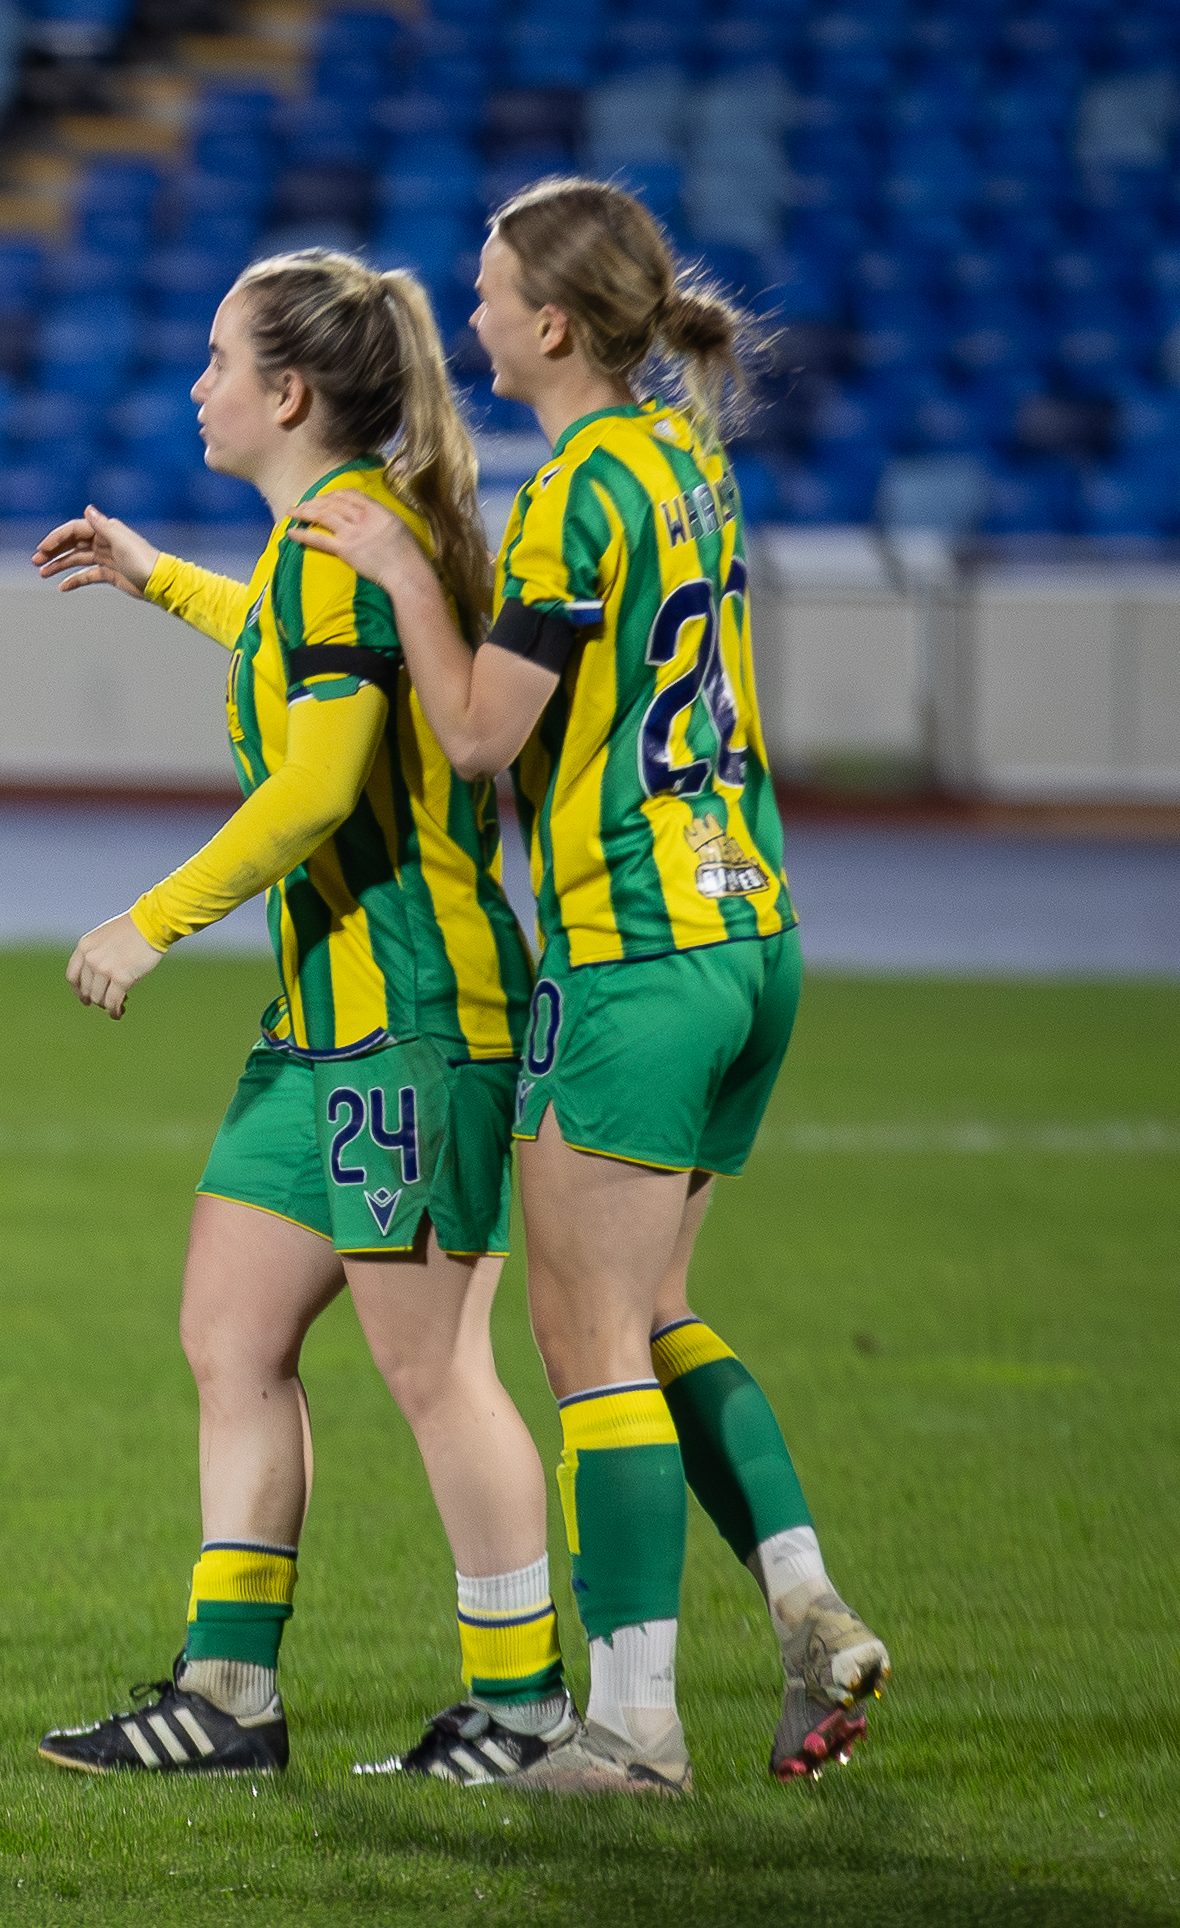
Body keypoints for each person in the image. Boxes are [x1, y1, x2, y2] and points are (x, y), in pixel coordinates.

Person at [296, 176, 891, 1793]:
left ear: (551, 322)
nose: (472, 312)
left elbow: (483, 731)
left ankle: (631, 1728)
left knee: (586, 1344)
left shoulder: (577, 485)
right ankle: (801, 1597)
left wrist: (410, 579)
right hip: (751, 931)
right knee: (658, 1310)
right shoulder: (688, 460)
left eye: (490, 291)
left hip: (635, 954)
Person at [24, 250, 572, 1783]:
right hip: (321, 1029)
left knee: (430, 1366)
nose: (194, 384)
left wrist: (150, 920)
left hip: (406, 1019)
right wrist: (156, 578)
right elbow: (283, 640)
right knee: (230, 1328)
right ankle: (229, 1695)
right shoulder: (330, 545)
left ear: (287, 392)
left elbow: (321, 782)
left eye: (216, 359)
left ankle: (524, 1710)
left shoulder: (350, 547)